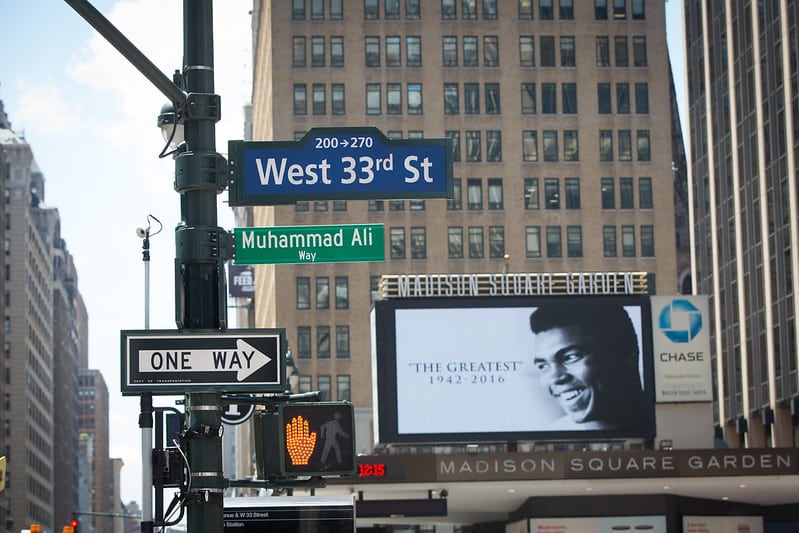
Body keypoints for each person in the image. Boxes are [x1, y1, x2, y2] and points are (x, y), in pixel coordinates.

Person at [529, 302, 648, 431]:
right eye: (543, 366)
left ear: (625, 354)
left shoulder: (667, 423)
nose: (555, 378)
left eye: (570, 357)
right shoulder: (550, 436)